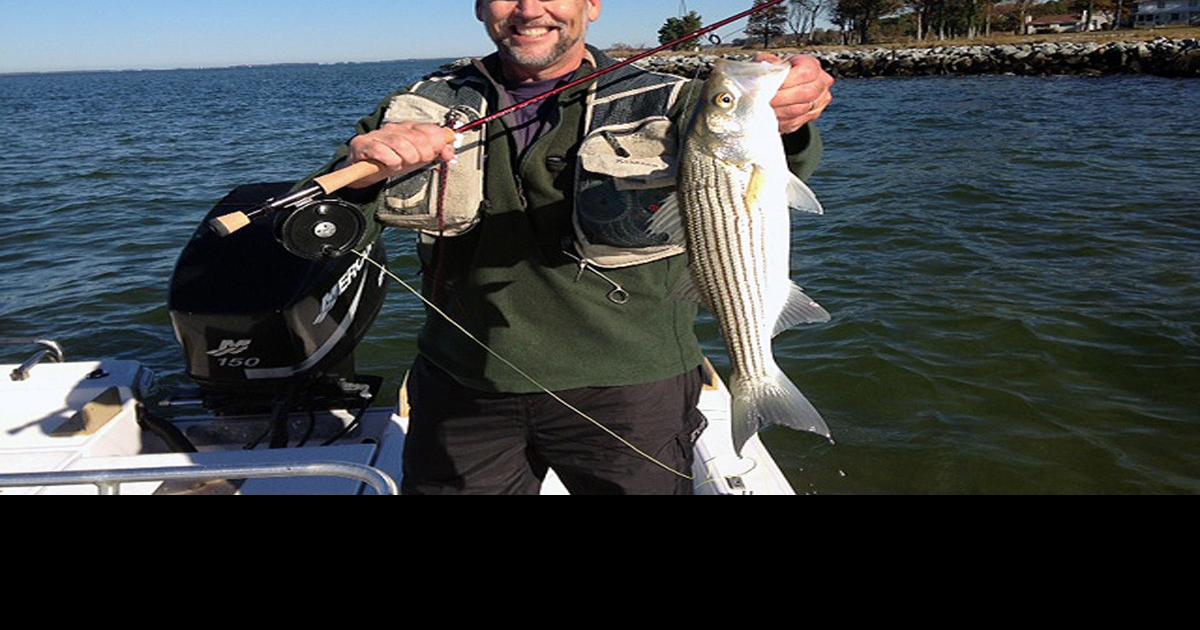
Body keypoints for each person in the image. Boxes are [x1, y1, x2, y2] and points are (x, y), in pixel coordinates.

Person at [306, 0, 834, 494]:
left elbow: (770, 164)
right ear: (479, 7)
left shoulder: (674, 99)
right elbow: (324, 225)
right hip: (463, 387)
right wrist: (361, 174)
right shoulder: (424, 104)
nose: (529, 10)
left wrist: (788, 119)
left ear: (593, 5)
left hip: (632, 389)